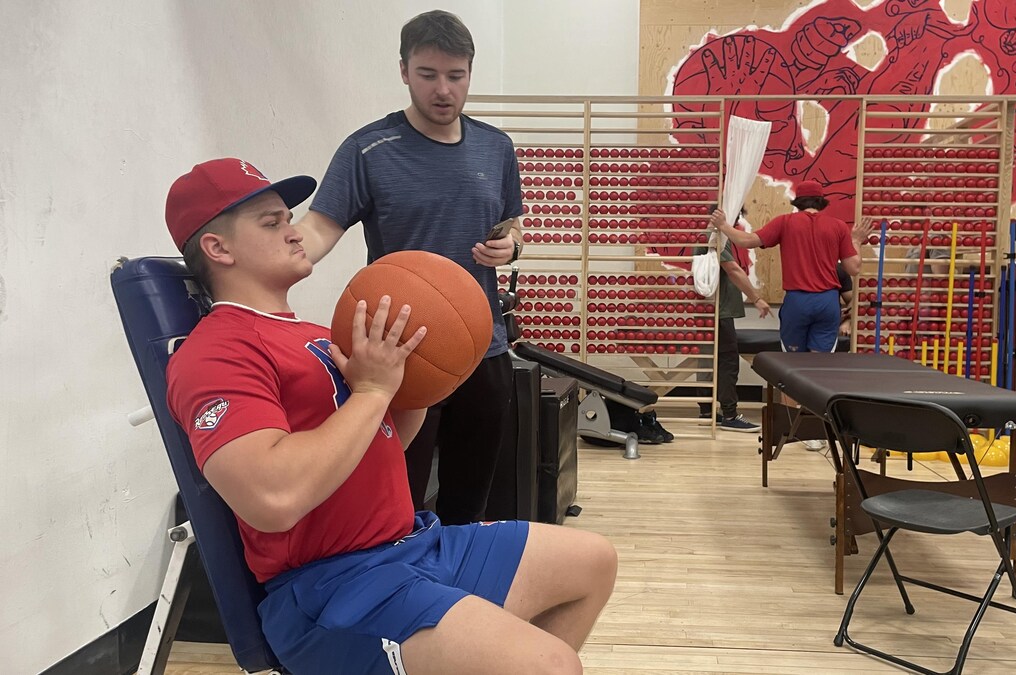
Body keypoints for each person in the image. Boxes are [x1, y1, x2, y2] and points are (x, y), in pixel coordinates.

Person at [163, 158, 616, 675]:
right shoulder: (216, 353)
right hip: (334, 587)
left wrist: (415, 383)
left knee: (592, 563)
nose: (294, 232)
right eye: (271, 223)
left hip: (411, 545)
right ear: (218, 249)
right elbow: (272, 499)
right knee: (549, 665)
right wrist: (374, 390)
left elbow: (381, 443)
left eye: (288, 218)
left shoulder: (312, 332)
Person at [295, 10, 522, 525]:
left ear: (469, 73)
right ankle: (408, 599)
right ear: (403, 71)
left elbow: (512, 225)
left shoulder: (496, 147)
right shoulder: (368, 150)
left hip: (483, 352)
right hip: (400, 359)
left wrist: (511, 247)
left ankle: (460, 599)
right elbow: (316, 231)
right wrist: (257, 263)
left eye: (455, 76)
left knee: (471, 503)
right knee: (397, 502)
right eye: (427, 75)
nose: (443, 90)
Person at [714, 180, 863, 353]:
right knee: (821, 363)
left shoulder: (785, 222)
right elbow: (854, 268)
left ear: (798, 202)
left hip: (798, 301)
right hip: (828, 302)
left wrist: (723, 225)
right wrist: (856, 241)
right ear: (821, 201)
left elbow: (746, 241)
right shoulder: (839, 226)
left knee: (794, 363)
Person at [700, 207, 772, 432]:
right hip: (718, 312)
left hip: (711, 310)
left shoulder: (710, 237)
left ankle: (707, 410)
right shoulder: (715, 238)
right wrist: (757, 298)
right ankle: (729, 415)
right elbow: (733, 269)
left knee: (711, 361)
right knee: (727, 362)